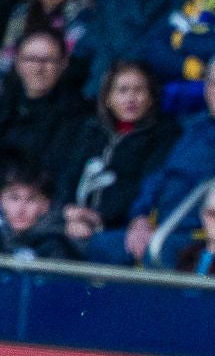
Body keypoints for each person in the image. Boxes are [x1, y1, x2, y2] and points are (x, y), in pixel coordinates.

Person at [119, 51, 215, 266]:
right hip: (157, 226)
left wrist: (160, 231)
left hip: (197, 235)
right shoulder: (187, 127)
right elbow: (159, 176)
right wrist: (140, 218)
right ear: (207, 88)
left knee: (156, 254)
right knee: (100, 246)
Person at [57, 60, 180, 262]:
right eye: (122, 91)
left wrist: (98, 218)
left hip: (118, 226)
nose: (131, 98)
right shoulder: (90, 129)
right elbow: (68, 174)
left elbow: (144, 186)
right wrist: (69, 209)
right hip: (73, 218)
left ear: (151, 98)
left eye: (139, 90)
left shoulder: (164, 136)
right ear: (108, 98)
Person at [0, 27, 85, 175]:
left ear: (63, 63)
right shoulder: (6, 103)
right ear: (17, 63)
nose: (38, 68)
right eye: (30, 59)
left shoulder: (76, 114)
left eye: (48, 60)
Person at [0, 162, 77, 259]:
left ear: (46, 205)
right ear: (1, 200)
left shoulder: (59, 242)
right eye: (14, 198)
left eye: (31, 200)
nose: (20, 209)